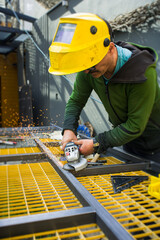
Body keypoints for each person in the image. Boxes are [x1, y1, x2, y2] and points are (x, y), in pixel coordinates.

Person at [49, 13, 160, 161]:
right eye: (85, 67)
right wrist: (69, 129)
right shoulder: (89, 67)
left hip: (155, 144)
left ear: (110, 48)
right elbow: (76, 100)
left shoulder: (142, 74)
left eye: (91, 66)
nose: (87, 71)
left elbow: (134, 126)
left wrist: (96, 143)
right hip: (128, 140)